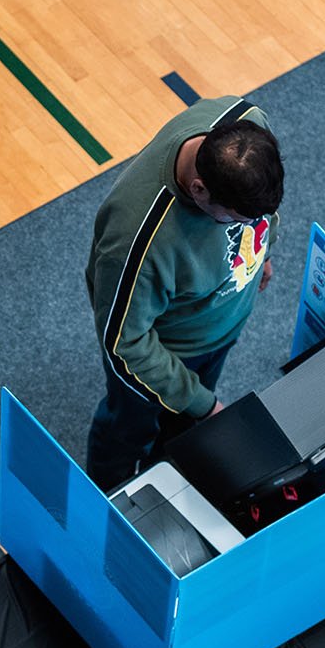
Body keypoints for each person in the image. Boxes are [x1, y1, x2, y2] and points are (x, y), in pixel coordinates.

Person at [84, 96, 284, 491]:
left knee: (179, 433)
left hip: (215, 333)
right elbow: (126, 344)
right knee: (127, 432)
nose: (247, 225)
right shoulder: (137, 241)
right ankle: (108, 500)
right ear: (199, 190)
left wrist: (263, 248)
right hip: (167, 353)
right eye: (234, 220)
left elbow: (261, 214)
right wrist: (202, 404)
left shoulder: (247, 124)